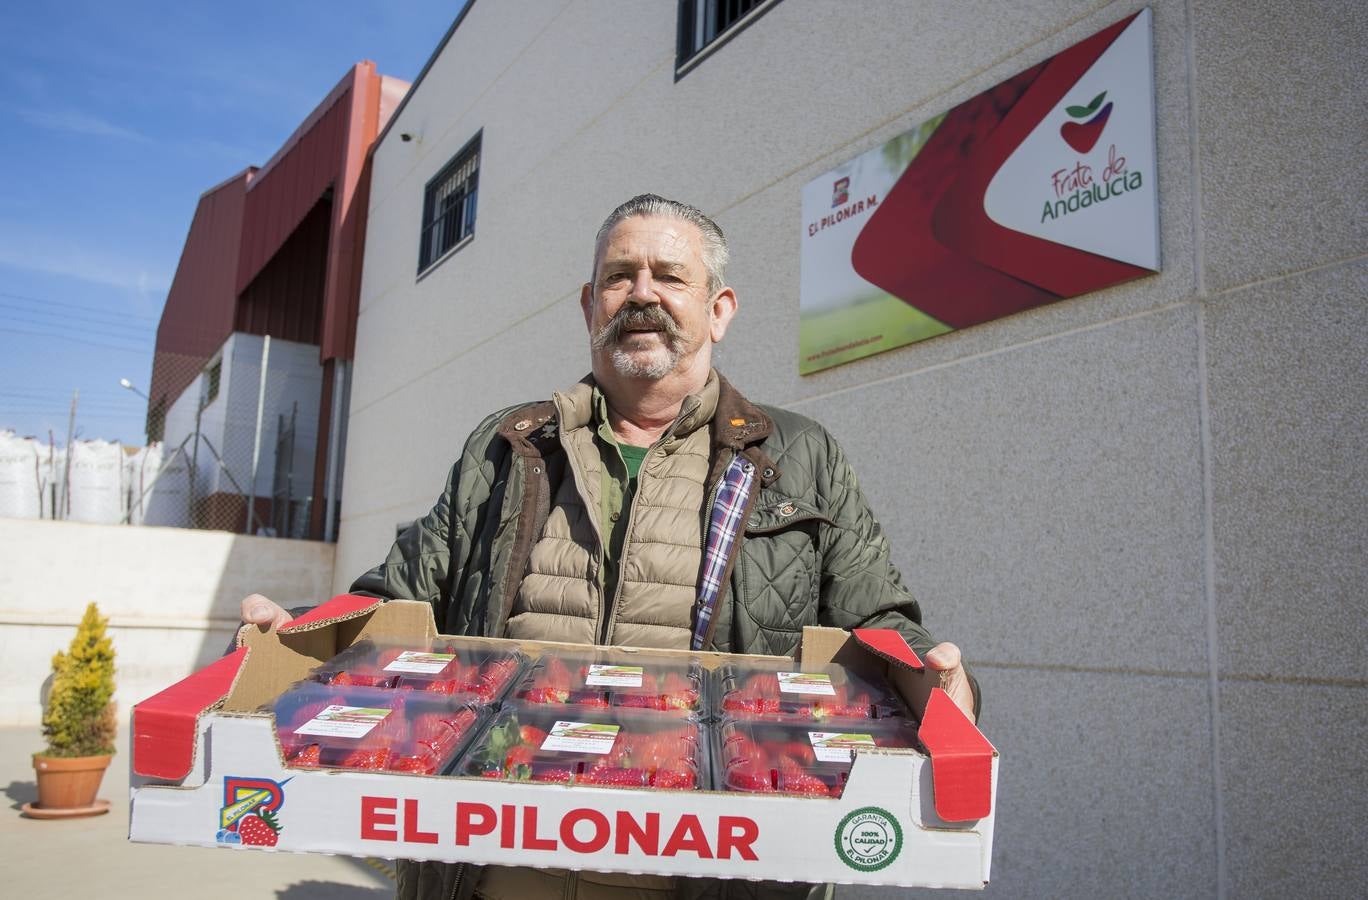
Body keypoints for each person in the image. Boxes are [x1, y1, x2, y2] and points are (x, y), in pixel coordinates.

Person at [241, 194, 979, 900]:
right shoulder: (509, 446)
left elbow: (877, 620)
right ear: (588, 306)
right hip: (494, 873)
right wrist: (301, 634)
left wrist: (943, 685)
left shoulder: (800, 457)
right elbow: (396, 599)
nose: (640, 294)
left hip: (714, 878)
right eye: (619, 276)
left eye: (669, 275)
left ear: (719, 310)